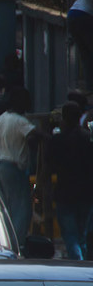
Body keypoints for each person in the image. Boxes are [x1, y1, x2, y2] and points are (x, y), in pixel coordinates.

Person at [44, 102, 93, 260]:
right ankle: (83, 263)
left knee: (70, 235)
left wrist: (45, 189)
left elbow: (48, 167)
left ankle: (77, 261)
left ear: (64, 118)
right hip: (86, 193)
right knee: (81, 234)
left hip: (65, 193)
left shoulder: (58, 140)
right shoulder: (88, 138)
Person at [0, 87, 42, 249]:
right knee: (22, 209)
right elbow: (36, 135)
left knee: (7, 209)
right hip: (14, 168)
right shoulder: (20, 121)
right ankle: (16, 245)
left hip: (0, 166)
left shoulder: (2, 118)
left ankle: (5, 242)